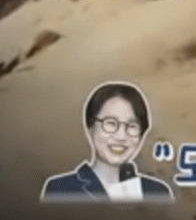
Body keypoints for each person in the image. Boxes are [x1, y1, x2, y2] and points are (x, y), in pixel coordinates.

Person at [40, 81, 174, 203]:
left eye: (132, 126)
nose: (121, 136)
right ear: (90, 127)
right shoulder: (61, 189)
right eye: (111, 123)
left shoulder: (157, 192)